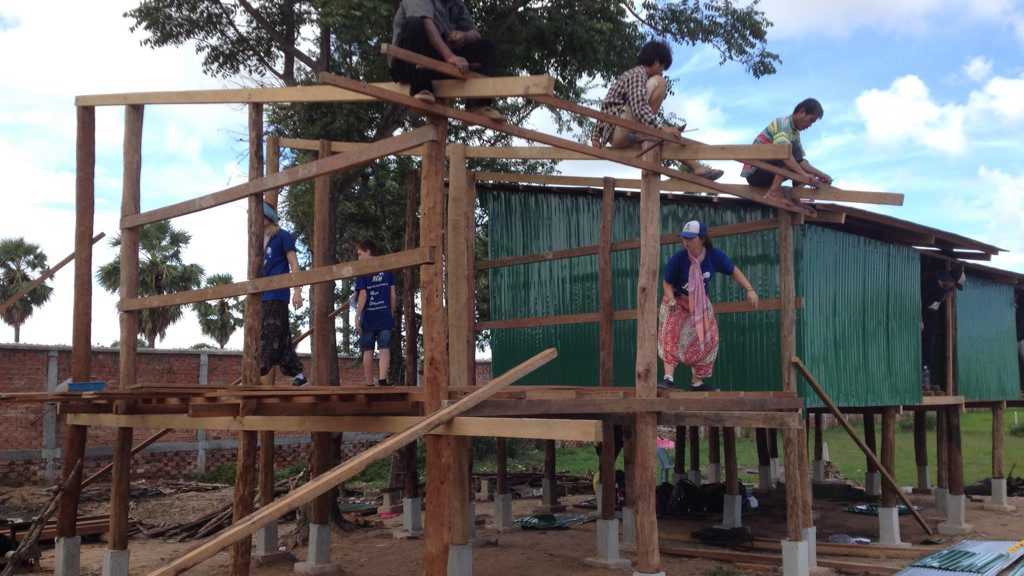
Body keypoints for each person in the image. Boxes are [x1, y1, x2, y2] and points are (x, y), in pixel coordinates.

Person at [591, 39, 723, 181]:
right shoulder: (637, 74)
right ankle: (648, 130)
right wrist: (661, 128)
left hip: (622, 133)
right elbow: (639, 107)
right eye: (662, 68)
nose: (661, 72)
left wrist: (595, 136)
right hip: (619, 130)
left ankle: (698, 168)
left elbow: (606, 107)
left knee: (661, 139)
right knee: (660, 83)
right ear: (656, 62)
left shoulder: (636, 78)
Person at [658, 220, 758, 392]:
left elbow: (733, 270)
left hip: (700, 302)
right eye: (684, 238)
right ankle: (668, 378)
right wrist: (671, 300)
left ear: (702, 239)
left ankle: (697, 382)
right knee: (670, 333)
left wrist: (749, 289)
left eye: (690, 238)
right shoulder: (679, 258)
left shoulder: (714, 256)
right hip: (677, 300)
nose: (686, 242)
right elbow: (666, 283)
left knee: (709, 338)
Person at [390, 0, 505, 121]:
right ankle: (421, 90)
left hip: (435, 63)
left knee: (486, 47)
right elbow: (426, 24)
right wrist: (450, 57)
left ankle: (478, 105)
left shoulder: (455, 4)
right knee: (415, 24)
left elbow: (475, 34)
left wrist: (464, 37)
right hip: (406, 65)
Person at [741, 98, 833, 197]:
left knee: (798, 161)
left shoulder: (794, 133)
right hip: (755, 172)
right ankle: (773, 192)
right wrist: (804, 175)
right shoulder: (782, 124)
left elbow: (801, 161)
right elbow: (784, 156)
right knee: (788, 155)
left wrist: (821, 175)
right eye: (810, 120)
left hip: (769, 169)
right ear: (802, 112)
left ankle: (796, 196)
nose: (810, 125)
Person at [259, 201, 306, 386]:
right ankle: (298, 375)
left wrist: (297, 291)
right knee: (283, 337)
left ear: (267, 217)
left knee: (269, 333)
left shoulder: (282, 236)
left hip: (277, 293)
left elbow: (294, 264)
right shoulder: (257, 239)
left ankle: (259, 367)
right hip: (262, 294)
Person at [354, 240, 397, 387]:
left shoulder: (363, 272)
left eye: (360, 254)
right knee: (384, 347)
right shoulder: (387, 269)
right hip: (384, 315)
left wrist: (357, 315)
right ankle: (383, 379)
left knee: (368, 349)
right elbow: (392, 294)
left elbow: (363, 295)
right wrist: (391, 312)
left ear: (368, 251)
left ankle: (368, 383)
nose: (358, 258)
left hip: (369, 317)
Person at [920, 267, 963, 391]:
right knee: (923, 349)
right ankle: (923, 380)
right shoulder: (930, 284)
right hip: (922, 323)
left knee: (930, 350)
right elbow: (919, 301)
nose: (953, 289)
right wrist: (919, 319)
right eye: (953, 286)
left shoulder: (942, 291)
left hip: (930, 326)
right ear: (949, 280)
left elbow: (933, 308)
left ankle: (927, 381)